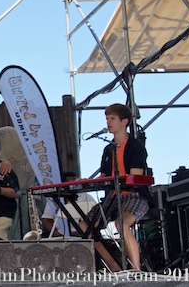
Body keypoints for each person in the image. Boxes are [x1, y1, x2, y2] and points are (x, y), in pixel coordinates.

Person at [79, 103, 151, 272]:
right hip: (112, 197)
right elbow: (104, 176)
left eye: (112, 118)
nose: (108, 122)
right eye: (107, 118)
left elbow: (134, 176)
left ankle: (136, 269)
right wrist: (87, 181)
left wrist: (110, 181)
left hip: (133, 196)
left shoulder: (136, 147)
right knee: (85, 226)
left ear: (124, 121)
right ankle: (113, 265)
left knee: (122, 224)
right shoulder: (108, 149)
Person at [41, 171, 95, 237]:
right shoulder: (55, 198)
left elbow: (96, 216)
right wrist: (56, 233)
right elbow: (46, 220)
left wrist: (85, 231)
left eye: (74, 181)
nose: (72, 184)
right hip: (61, 235)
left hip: (83, 233)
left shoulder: (86, 197)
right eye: (69, 182)